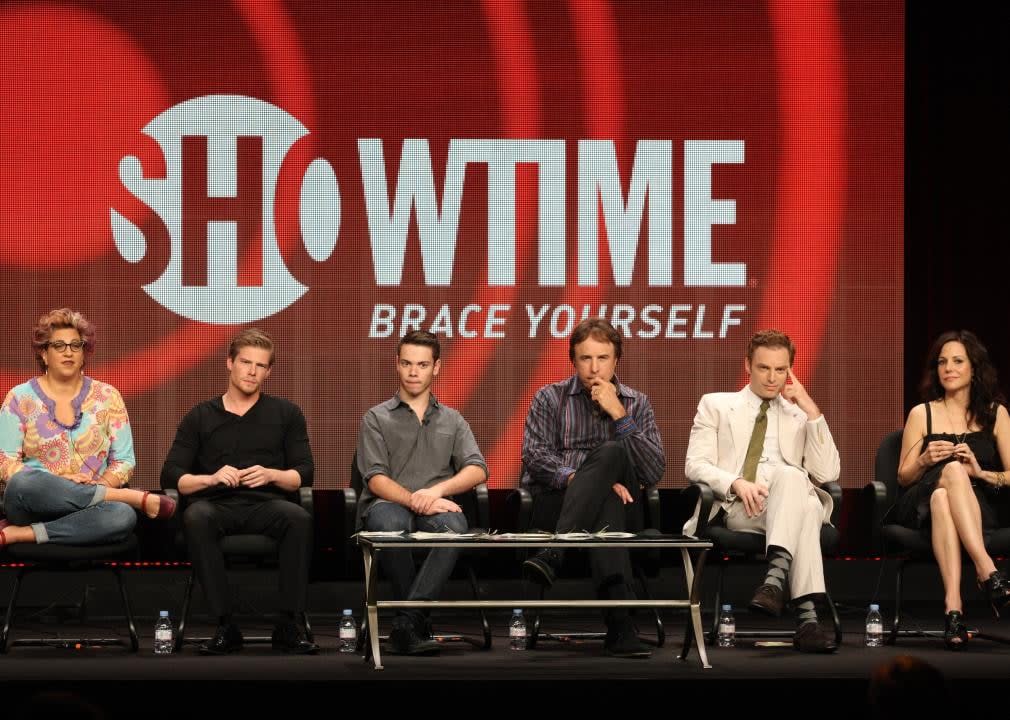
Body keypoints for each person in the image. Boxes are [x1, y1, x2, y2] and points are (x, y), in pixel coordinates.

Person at [161, 328, 318, 655]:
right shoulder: (201, 415)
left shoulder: (287, 414)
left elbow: (304, 474)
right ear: (229, 363)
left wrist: (272, 474)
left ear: (269, 372)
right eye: (245, 362)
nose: (252, 371)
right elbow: (172, 474)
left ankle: (287, 625)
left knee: (299, 518)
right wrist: (212, 478)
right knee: (196, 516)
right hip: (217, 507)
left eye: (260, 366)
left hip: (267, 506)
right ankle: (225, 626)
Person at [684, 329, 840, 653]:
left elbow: (827, 473)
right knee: (807, 509)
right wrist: (735, 483)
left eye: (780, 370)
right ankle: (807, 618)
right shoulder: (716, 405)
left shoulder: (799, 415)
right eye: (764, 368)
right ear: (747, 365)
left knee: (797, 487)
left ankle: (774, 584)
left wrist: (810, 407)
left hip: (788, 502)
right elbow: (694, 465)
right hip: (742, 507)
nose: (772, 378)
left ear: (790, 371)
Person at [520, 318, 666, 659]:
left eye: (603, 358)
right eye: (586, 358)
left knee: (614, 452)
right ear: (573, 360)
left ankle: (555, 553)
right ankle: (620, 627)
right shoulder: (549, 397)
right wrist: (583, 479)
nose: (594, 367)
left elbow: (653, 470)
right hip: (558, 504)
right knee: (606, 503)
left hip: (625, 507)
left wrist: (619, 413)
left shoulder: (636, 403)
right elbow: (534, 456)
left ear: (617, 361)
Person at [355, 330, 488, 655]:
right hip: (386, 504)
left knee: (455, 529)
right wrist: (415, 499)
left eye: (422, 364)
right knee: (389, 524)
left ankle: (406, 622)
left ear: (436, 367)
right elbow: (375, 479)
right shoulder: (376, 417)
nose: (414, 372)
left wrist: (436, 491)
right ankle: (413, 623)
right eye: (407, 363)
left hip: (436, 505)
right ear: (397, 366)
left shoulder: (453, 420)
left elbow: (478, 468)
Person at [0, 308, 174, 547]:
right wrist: (59, 483)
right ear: (43, 353)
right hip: (35, 503)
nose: (68, 352)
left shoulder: (107, 396)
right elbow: (5, 462)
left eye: (76, 345)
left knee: (123, 516)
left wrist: (99, 486)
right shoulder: (19, 398)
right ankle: (125, 496)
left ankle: (20, 534)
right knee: (21, 483)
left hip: (88, 513)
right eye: (59, 345)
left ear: (84, 353)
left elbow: (124, 461)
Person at [892, 330, 1010, 649]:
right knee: (947, 478)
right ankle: (988, 570)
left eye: (958, 361)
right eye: (942, 362)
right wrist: (924, 460)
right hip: (920, 505)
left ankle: (953, 609)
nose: (948, 368)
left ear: (975, 368)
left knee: (946, 494)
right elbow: (903, 477)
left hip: (973, 505)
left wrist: (980, 472)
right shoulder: (923, 413)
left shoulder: (995, 414)